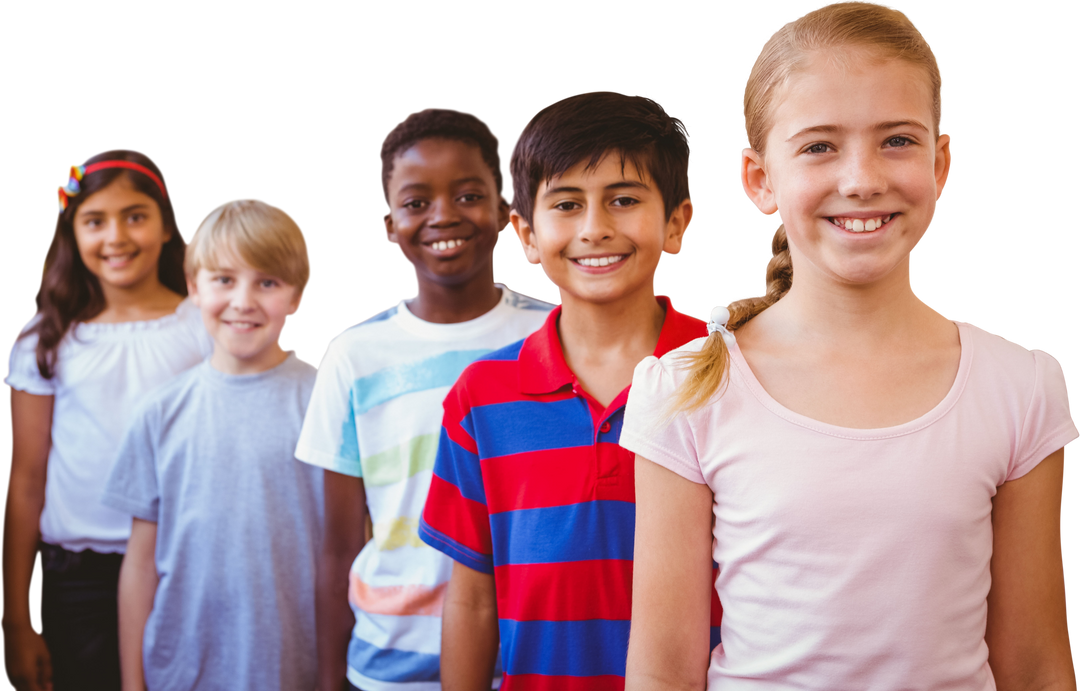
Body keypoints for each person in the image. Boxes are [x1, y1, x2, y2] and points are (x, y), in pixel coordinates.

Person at [621, 1, 1078, 688]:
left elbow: (1037, 661)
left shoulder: (1021, 385)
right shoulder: (683, 388)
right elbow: (661, 668)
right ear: (759, 178)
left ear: (942, 162)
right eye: (819, 145)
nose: (862, 178)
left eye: (897, 140)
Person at [419, 89, 722, 689]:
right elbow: (473, 600)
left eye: (624, 199)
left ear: (677, 223)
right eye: (566, 204)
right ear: (526, 233)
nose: (595, 228)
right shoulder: (481, 397)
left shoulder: (725, 374)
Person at [295, 105, 553, 691]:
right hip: (386, 665)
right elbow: (337, 551)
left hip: (524, 656)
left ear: (506, 212)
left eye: (467, 195)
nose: (443, 216)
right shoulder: (352, 356)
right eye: (416, 202)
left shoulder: (552, 338)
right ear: (390, 227)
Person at [1, 148, 212, 691]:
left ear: (166, 226)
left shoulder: (206, 326)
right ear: (73, 232)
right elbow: (27, 479)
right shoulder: (45, 339)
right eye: (95, 221)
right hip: (79, 579)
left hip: (186, 565)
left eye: (134, 216)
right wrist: (16, 622)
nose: (116, 237)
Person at [101, 196, 323, 691]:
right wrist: (133, 684)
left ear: (296, 297)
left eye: (266, 282)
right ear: (194, 287)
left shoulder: (324, 403)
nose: (243, 300)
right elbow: (140, 564)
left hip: (294, 670)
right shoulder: (160, 413)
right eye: (224, 279)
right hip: (179, 672)